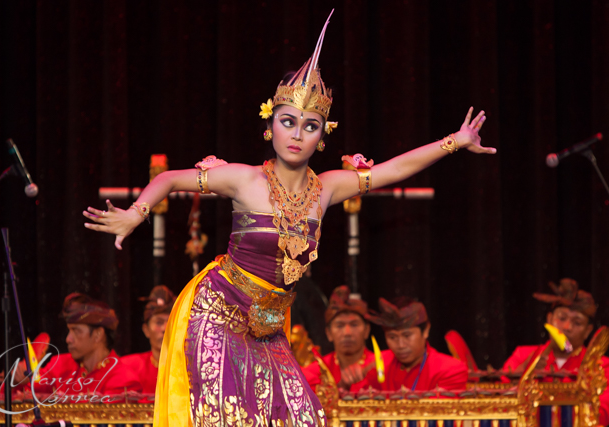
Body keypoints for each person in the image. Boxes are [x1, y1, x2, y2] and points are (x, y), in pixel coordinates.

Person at [83, 11, 494, 427]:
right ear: (271, 128)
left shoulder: (328, 187)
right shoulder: (245, 180)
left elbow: (393, 170)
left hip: (269, 327)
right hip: (219, 312)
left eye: (310, 126)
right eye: (288, 122)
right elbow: (170, 179)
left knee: (302, 417)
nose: (297, 134)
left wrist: (455, 142)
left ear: (322, 135)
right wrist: (134, 215)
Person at [502, 278, 609, 425]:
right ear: (549, 319)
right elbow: (500, 402)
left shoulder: (601, 366)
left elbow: (602, 412)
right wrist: (523, 373)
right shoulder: (523, 355)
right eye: (562, 318)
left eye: (577, 322)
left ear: (587, 331)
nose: (567, 327)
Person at [14, 293, 142, 401]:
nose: (68, 339)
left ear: (98, 335)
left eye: (76, 331)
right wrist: (18, 379)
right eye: (69, 331)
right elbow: (22, 394)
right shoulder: (60, 366)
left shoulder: (123, 380)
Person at [366, 297, 468, 391]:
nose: (400, 345)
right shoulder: (373, 364)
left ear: (426, 330)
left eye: (407, 335)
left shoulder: (450, 370)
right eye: (392, 337)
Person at [302, 286, 375, 392]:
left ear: (367, 330)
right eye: (340, 326)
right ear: (329, 333)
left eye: (354, 325)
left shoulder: (380, 365)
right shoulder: (317, 371)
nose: (347, 333)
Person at [122, 285, 175, 395]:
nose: (165, 329)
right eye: (159, 323)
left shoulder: (191, 369)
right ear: (146, 330)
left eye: (171, 323)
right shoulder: (128, 367)